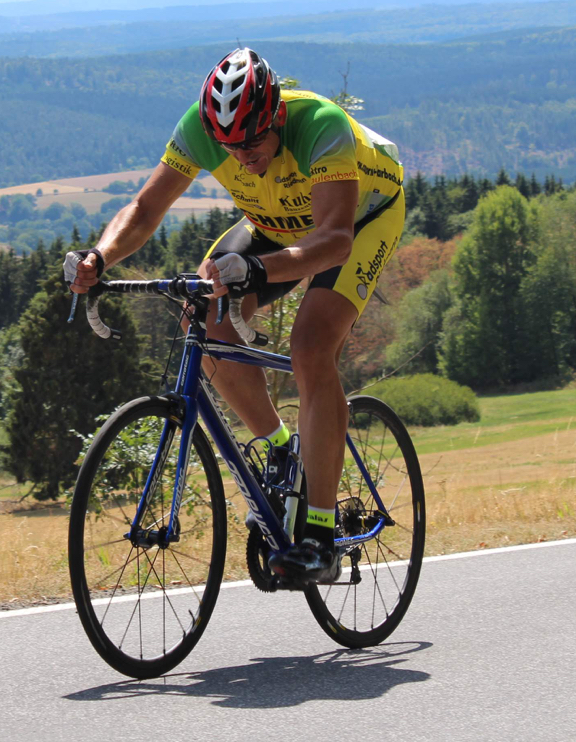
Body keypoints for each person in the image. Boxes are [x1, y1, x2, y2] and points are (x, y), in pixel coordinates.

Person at [64, 47, 404, 583]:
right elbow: (146, 209)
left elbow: (335, 239)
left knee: (311, 347)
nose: (241, 156)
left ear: (275, 116)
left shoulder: (321, 126)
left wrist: (259, 270)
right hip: (272, 224)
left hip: (355, 224)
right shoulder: (199, 130)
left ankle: (319, 537)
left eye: (252, 142)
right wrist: (100, 257)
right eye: (228, 146)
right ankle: (279, 448)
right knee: (203, 316)